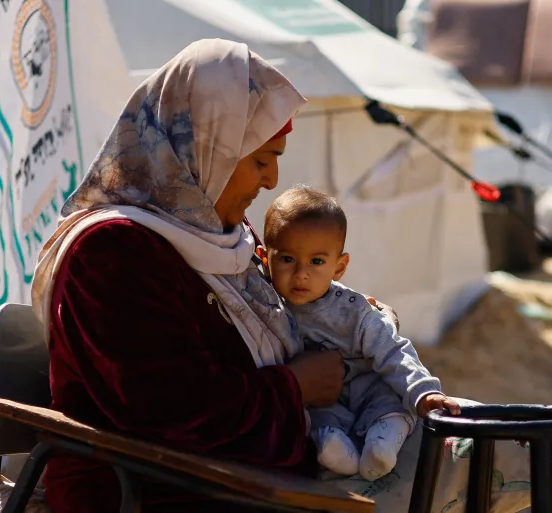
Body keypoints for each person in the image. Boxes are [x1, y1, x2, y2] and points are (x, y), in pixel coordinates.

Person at [30, 39, 397, 512]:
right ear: (203, 148)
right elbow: (168, 410)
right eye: (260, 160)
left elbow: (293, 313)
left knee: (470, 444)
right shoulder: (112, 252)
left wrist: (352, 320)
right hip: (156, 493)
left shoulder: (225, 235)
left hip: (255, 477)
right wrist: (295, 389)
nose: (271, 181)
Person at [257, 187, 461, 482]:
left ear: (339, 267)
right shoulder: (266, 307)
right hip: (325, 400)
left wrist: (424, 391)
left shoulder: (354, 310)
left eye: (316, 262)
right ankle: (339, 453)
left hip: (367, 385)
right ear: (265, 259)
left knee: (388, 401)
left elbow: (393, 350)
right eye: (288, 259)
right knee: (317, 421)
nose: (301, 273)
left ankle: (383, 442)